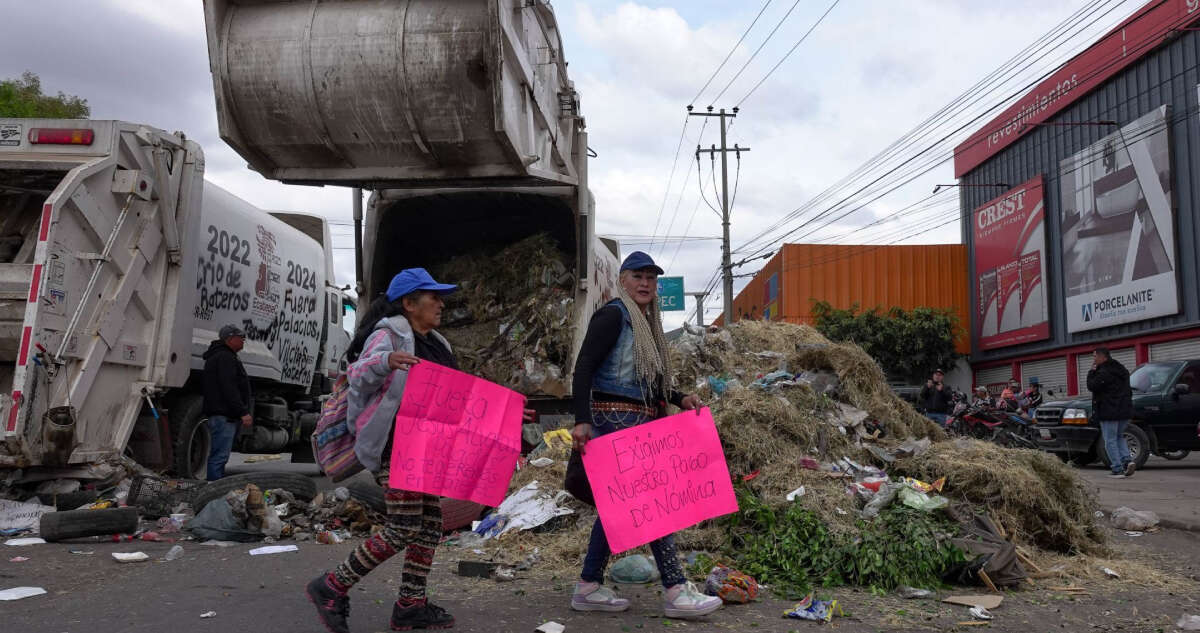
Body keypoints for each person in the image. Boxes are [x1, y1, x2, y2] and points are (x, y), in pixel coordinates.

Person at [306, 267, 532, 632]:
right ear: (409, 303)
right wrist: (385, 362)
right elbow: (358, 373)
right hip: (395, 447)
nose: (441, 304)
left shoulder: (438, 344)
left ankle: (410, 605)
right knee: (404, 526)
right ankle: (331, 586)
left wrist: (508, 414)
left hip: (428, 451)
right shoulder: (389, 334)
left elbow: (461, 399)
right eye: (434, 297)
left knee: (429, 524)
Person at [569, 251, 722, 619]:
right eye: (638, 276)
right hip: (611, 423)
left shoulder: (645, 325)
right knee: (649, 504)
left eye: (651, 279)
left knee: (620, 507)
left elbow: (648, 384)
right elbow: (584, 366)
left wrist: (679, 398)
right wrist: (581, 419)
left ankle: (589, 585)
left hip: (636, 424)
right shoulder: (613, 316)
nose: (645, 283)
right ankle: (674, 588)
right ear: (622, 280)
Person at [202, 324, 252, 481]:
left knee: (219, 455)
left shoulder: (219, 356)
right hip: (224, 416)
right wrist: (242, 411)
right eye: (240, 337)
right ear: (230, 339)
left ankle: (215, 490)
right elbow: (229, 387)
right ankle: (214, 494)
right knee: (219, 457)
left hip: (221, 414)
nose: (243, 340)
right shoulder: (225, 357)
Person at [1087, 346, 1135, 479]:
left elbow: (1092, 386)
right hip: (1124, 410)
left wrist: (1091, 372)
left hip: (1109, 411)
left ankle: (1117, 469)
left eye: (1095, 356)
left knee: (1110, 441)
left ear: (1103, 357)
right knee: (1119, 437)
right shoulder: (1121, 369)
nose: (1094, 359)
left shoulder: (1103, 372)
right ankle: (1127, 461)